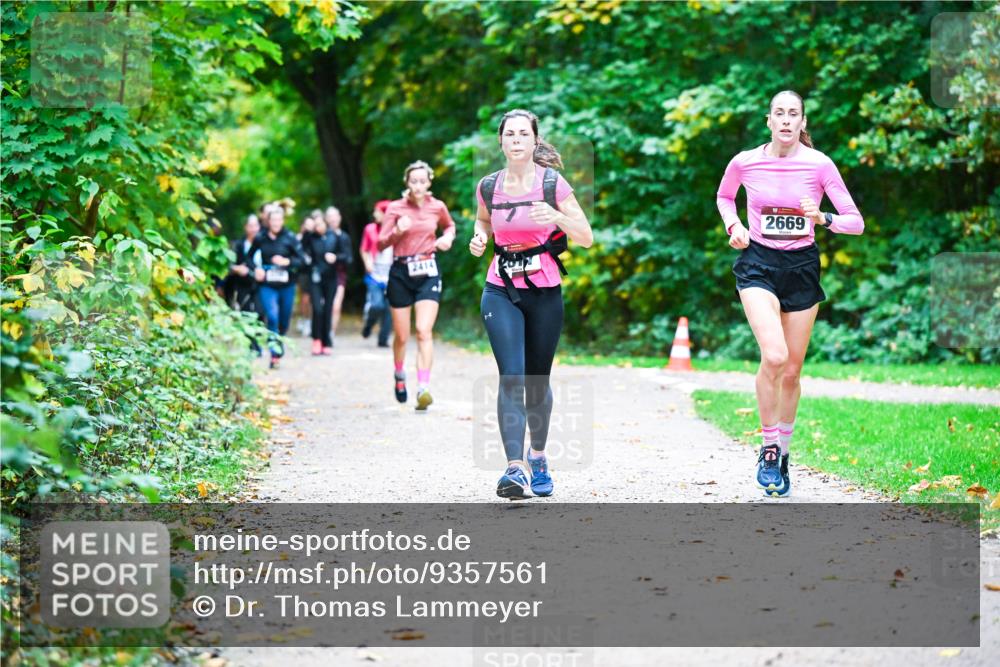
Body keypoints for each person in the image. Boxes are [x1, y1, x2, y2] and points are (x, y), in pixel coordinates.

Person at [716, 89, 864, 497]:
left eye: (793, 113)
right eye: (778, 113)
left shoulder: (819, 165)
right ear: (768, 120)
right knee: (775, 356)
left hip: (801, 268)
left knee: (793, 371)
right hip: (758, 263)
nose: (785, 120)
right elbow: (725, 197)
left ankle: (783, 452)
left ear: (802, 122)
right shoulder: (745, 161)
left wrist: (823, 217)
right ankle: (766, 448)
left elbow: (856, 222)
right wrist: (734, 227)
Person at [469, 109, 592, 499]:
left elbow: (586, 236)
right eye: (510, 134)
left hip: (543, 289)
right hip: (500, 286)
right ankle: (514, 468)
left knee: (537, 382)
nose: (517, 139)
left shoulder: (553, 184)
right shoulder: (489, 186)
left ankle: (537, 455)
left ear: (535, 141)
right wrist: (478, 237)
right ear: (501, 141)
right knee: (512, 376)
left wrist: (556, 215)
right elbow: (484, 222)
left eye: (524, 134)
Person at [378, 160, 456, 410]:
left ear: (429, 182)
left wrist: (447, 238)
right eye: (414, 181)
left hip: (428, 270)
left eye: (423, 181)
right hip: (401, 272)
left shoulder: (437, 206)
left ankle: (423, 388)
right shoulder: (395, 208)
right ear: (407, 183)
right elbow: (380, 243)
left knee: (423, 331)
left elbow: (450, 226)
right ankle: (399, 374)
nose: (418, 186)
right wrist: (398, 232)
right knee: (402, 336)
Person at [245, 204, 307, 369]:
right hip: (267, 284)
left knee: (283, 321)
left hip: (287, 285)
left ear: (282, 221)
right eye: (273, 220)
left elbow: (303, 261)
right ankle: (274, 354)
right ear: (268, 221)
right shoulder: (261, 237)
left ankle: (278, 341)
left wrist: (287, 262)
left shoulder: (290, 238)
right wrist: (256, 269)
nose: (276, 223)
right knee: (272, 316)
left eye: (279, 220)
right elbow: (249, 258)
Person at [302, 215, 347, 355]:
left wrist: (335, 257)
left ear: (325, 224)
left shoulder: (335, 236)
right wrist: (306, 232)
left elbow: (347, 256)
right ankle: (316, 339)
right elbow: (301, 249)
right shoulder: (310, 237)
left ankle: (326, 341)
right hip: (315, 277)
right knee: (317, 309)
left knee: (328, 309)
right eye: (315, 225)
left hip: (331, 278)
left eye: (320, 224)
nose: (318, 227)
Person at [225, 214, 265, 355]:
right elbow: (229, 265)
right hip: (242, 284)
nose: (253, 229)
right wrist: (237, 269)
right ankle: (251, 345)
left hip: (261, 284)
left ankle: (258, 342)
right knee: (246, 313)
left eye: (256, 226)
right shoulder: (238, 244)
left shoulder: (263, 242)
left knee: (260, 312)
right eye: (250, 226)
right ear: (245, 227)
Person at [360, 200, 393, 347]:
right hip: (374, 275)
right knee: (377, 305)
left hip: (392, 276)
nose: (374, 214)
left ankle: (383, 339)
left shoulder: (396, 230)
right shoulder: (370, 229)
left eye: (377, 211)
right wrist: (367, 261)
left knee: (389, 308)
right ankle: (369, 324)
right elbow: (364, 248)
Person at [325, 206, 353, 343]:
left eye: (334, 216)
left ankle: (331, 333)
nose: (332, 219)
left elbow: (349, 258)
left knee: (336, 305)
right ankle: (322, 330)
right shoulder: (322, 236)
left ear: (339, 217)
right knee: (324, 305)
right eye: (329, 216)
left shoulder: (344, 237)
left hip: (339, 275)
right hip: (323, 275)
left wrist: (336, 258)